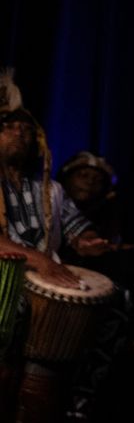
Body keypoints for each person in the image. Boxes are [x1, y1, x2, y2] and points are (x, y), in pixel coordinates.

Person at [0, 76, 108, 284]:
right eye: (9, 126)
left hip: (46, 280)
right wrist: (40, 260)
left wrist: (87, 240)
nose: (19, 133)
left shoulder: (52, 191)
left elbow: (76, 228)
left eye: (26, 129)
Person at [57, 153, 123, 246]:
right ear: (67, 179)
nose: (90, 182)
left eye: (98, 179)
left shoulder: (108, 220)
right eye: (83, 175)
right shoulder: (52, 206)